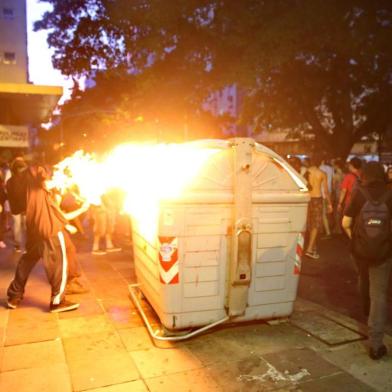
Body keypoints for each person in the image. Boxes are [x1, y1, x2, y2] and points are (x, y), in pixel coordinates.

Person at [7, 165, 89, 312]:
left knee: (27, 261)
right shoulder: (35, 179)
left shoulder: (19, 186)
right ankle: (57, 301)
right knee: (60, 264)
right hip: (49, 229)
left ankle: (14, 296)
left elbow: (16, 209)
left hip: (33, 229)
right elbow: (38, 173)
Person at [342, 162, 392, 360]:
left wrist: (356, 241)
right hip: (384, 253)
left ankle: (366, 309)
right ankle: (376, 344)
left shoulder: (359, 192)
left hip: (360, 251)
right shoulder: (390, 193)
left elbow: (345, 223)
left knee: (364, 279)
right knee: (379, 294)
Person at [304, 156, 333, 259]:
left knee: (310, 223)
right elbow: (326, 191)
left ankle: (313, 247)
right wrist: (329, 204)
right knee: (316, 224)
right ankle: (310, 250)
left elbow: (304, 186)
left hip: (308, 199)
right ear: (320, 162)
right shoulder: (322, 173)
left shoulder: (307, 172)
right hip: (317, 199)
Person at [6, 157, 28, 252]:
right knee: (26, 226)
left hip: (15, 207)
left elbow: (9, 194)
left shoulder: (9, 181)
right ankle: (28, 246)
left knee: (17, 225)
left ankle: (18, 245)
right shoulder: (27, 180)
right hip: (26, 206)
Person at [320, 157, 334, 238]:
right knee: (328, 213)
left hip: (322, 193)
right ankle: (328, 230)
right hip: (329, 192)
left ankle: (328, 232)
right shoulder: (331, 169)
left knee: (324, 214)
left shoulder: (320, 168)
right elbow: (332, 182)